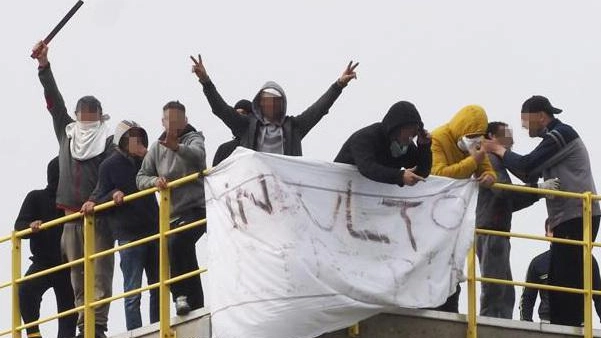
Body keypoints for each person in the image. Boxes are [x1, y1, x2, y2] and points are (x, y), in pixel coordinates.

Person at [485, 95, 601, 326]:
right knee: (559, 279)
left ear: (540, 116)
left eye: (525, 120)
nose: (523, 126)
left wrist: (497, 149)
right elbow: (528, 172)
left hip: (577, 214)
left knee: (567, 279)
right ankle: (563, 325)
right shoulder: (553, 140)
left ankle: (569, 326)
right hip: (567, 217)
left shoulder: (560, 134)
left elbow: (526, 165)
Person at [32, 41, 115, 338]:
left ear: (100, 115)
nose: (87, 117)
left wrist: (95, 200)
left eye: (93, 113)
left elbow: (110, 177)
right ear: (78, 114)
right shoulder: (67, 134)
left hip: (99, 215)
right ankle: (84, 326)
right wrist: (44, 67)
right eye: (83, 112)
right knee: (77, 276)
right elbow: (54, 102)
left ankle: (99, 326)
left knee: (101, 273)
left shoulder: (108, 141)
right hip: (70, 217)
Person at [191, 54, 358, 156]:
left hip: (286, 189)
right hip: (255, 191)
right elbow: (221, 109)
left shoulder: (295, 127)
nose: (270, 105)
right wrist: (205, 81)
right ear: (260, 104)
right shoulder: (246, 126)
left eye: (275, 101)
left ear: (281, 104)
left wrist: (339, 85)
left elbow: (319, 109)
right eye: (266, 101)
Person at [476, 121, 559, 319]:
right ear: (490, 137)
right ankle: (491, 324)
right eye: (505, 134)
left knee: (504, 288)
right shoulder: (489, 160)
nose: (511, 140)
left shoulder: (496, 162)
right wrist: (538, 189)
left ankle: (498, 322)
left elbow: (509, 201)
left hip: (497, 230)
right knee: (496, 286)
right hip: (491, 230)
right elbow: (504, 191)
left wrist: (537, 193)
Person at [84, 121, 159, 330]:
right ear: (122, 140)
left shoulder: (148, 160)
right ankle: (136, 332)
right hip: (129, 234)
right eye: (132, 137)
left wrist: (148, 156)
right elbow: (98, 196)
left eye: (139, 137)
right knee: (132, 291)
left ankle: (157, 327)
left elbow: (165, 174)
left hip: (154, 230)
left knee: (159, 286)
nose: (137, 141)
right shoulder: (109, 165)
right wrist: (112, 195)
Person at [136, 101, 207, 316]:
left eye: (177, 119)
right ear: (163, 122)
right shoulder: (157, 148)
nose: (173, 124)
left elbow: (198, 157)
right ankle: (196, 304)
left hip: (197, 208)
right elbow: (140, 177)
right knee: (184, 253)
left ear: (185, 121)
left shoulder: (194, 138)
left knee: (177, 243)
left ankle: (180, 296)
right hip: (171, 214)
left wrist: (177, 147)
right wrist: (155, 181)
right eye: (169, 120)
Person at [430, 104, 497, 313]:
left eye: (479, 136)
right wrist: (472, 161)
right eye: (472, 135)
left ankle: (451, 305)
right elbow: (439, 174)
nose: (475, 141)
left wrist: (488, 177)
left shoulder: (477, 147)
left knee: (454, 262)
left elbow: (488, 171)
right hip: (431, 213)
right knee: (433, 260)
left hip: (456, 217)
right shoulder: (438, 139)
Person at [14, 157, 77, 338]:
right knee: (26, 290)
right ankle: (34, 334)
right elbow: (19, 225)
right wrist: (30, 226)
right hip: (43, 262)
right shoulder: (36, 197)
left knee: (68, 309)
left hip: (67, 263)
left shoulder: (72, 201)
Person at [520, 219, 601, 322]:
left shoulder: (587, 260)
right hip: (547, 324)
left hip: (579, 325)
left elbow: (598, 295)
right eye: (553, 231)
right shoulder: (538, 263)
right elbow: (527, 298)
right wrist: (527, 327)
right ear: (547, 235)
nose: (558, 234)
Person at [334, 100, 431, 186]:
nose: (411, 138)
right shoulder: (366, 137)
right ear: (396, 128)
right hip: (339, 189)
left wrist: (424, 147)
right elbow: (367, 167)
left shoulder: (406, 146)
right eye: (409, 131)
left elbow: (421, 173)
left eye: (414, 133)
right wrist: (399, 176)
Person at [212, 99, 252, 166]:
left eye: (243, 113)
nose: (239, 117)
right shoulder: (224, 149)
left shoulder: (263, 144)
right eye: (236, 114)